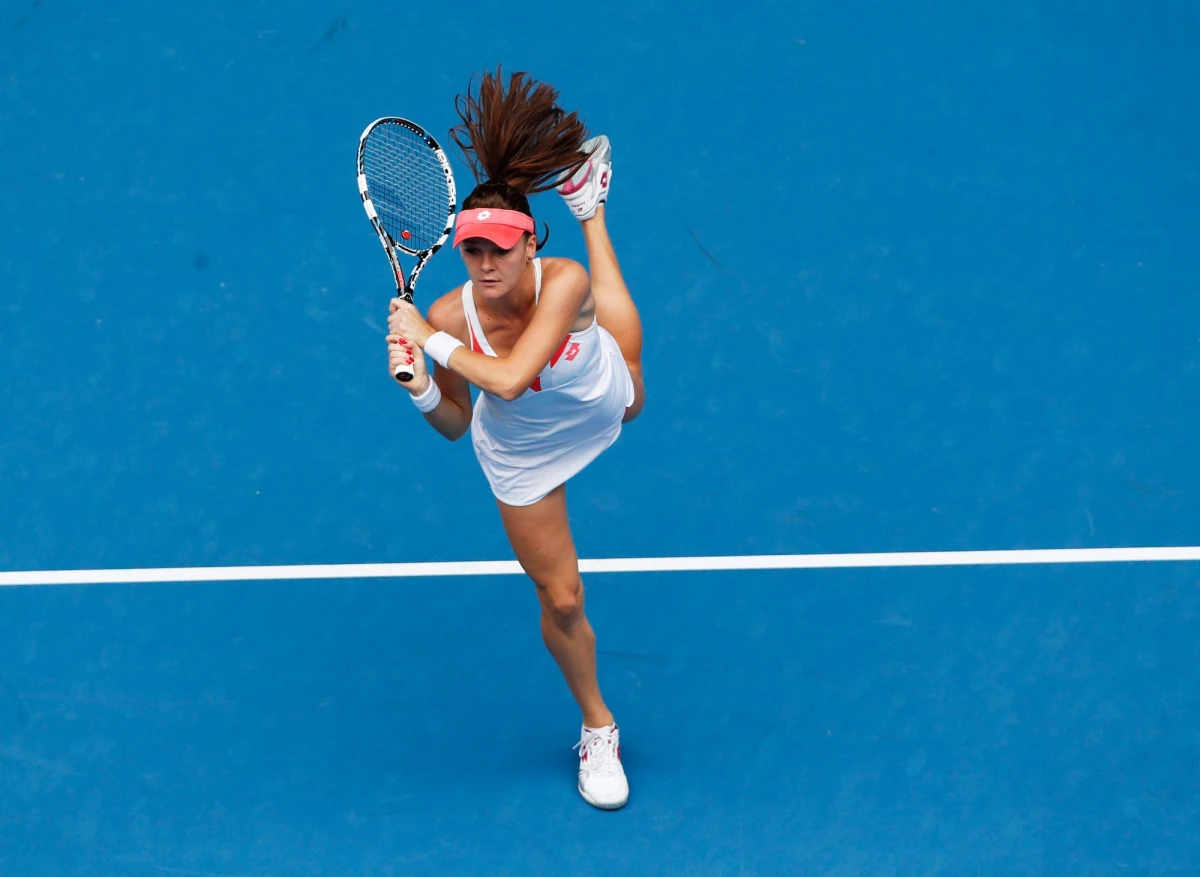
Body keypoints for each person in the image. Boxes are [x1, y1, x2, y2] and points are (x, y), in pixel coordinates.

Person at [385, 69, 645, 811]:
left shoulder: (558, 281)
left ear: (531, 242)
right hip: (522, 451)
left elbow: (507, 379)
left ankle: (591, 211)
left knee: (631, 384)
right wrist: (419, 387)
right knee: (562, 597)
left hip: (593, 397)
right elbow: (460, 421)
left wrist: (428, 342)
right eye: (474, 251)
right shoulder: (449, 312)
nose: (488, 264)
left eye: (502, 247)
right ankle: (599, 724)